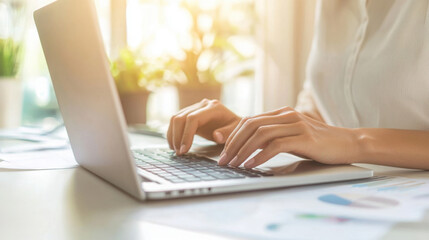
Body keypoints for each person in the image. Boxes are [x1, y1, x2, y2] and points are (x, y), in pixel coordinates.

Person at [167, 0, 429, 170]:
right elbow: (319, 111)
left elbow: (341, 137)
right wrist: (245, 129)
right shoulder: (331, 6)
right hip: (343, 190)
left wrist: (356, 142)